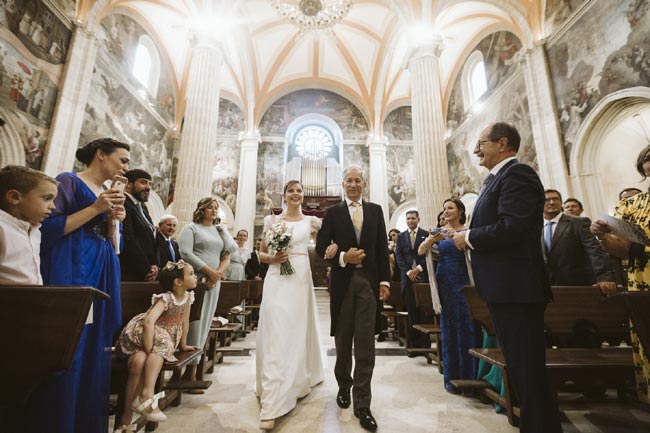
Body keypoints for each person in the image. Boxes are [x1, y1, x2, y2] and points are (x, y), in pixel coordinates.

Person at [452, 123, 562, 433]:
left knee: (528, 371)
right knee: (521, 370)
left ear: (502, 144)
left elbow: (514, 227)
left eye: (481, 144)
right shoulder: (496, 180)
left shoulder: (517, 175)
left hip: (517, 289)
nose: (476, 151)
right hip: (505, 288)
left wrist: (469, 236)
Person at [37, 137, 129, 433]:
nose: (126, 166)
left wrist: (116, 220)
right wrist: (95, 209)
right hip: (76, 265)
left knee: (96, 343)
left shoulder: (107, 192)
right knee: (73, 344)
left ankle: (84, 421)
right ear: (100, 155)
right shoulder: (69, 182)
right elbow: (46, 229)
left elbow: (115, 245)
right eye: (123, 160)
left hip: (102, 265)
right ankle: (60, 421)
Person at [255, 180, 337, 430]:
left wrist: (335, 248)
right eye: (291, 190)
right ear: (284, 195)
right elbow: (260, 252)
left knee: (294, 332)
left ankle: (296, 380)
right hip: (276, 277)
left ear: (303, 195)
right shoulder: (272, 221)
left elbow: (325, 246)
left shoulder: (311, 222)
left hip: (300, 278)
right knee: (275, 330)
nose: (295, 194)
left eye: (299, 191)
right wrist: (272, 257)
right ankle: (272, 400)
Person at [316, 165, 391, 432]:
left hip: (368, 284)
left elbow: (382, 247)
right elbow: (320, 248)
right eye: (349, 180)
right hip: (344, 283)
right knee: (343, 340)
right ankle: (344, 386)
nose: (353, 184)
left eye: (358, 180)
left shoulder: (376, 211)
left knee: (365, 343)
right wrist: (341, 257)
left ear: (365, 184)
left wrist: (384, 280)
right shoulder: (333, 213)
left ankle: (363, 403)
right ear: (343, 184)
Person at [591, 144, 650, 405]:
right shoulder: (633, 205)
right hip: (643, 278)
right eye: (648, 159)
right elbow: (620, 249)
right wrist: (604, 235)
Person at [114, 260, 199, 430]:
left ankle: (131, 417)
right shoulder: (166, 298)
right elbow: (148, 322)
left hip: (159, 338)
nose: (195, 276)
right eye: (191, 274)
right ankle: (145, 397)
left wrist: (183, 345)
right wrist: (148, 348)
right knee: (147, 354)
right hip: (144, 334)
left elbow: (184, 322)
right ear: (178, 282)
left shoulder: (188, 297)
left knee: (140, 361)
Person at [419, 198, 476, 393]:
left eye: (450, 208)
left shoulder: (467, 230)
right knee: (449, 327)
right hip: (444, 283)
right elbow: (421, 251)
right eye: (444, 208)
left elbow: (473, 255)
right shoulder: (440, 233)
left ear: (460, 211)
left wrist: (458, 237)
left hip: (463, 282)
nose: (445, 211)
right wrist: (431, 240)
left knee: (466, 327)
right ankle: (452, 378)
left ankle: (469, 377)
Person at [178, 197, 236, 387]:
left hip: (213, 282)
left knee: (205, 322)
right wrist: (209, 271)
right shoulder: (191, 228)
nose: (213, 210)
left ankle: (195, 369)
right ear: (201, 209)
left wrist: (218, 273)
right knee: (194, 322)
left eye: (216, 208)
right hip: (196, 280)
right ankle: (187, 371)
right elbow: (186, 253)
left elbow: (227, 255)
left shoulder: (220, 231)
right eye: (210, 207)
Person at [543, 189, 616, 294]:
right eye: (547, 200)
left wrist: (604, 278)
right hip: (547, 287)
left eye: (555, 199)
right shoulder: (535, 227)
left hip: (577, 284)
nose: (552, 202)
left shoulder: (579, 222)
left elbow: (595, 251)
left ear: (561, 202)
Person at [0, 165, 57, 286]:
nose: (53, 206)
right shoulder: (2, 228)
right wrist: (25, 289)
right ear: (14, 197)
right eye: (47, 198)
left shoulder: (35, 231)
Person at [394, 210, 430, 352]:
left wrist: (419, 269)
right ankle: (413, 346)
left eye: (413, 218)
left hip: (423, 275)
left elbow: (428, 254)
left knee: (424, 312)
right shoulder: (401, 236)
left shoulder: (426, 234)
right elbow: (399, 255)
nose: (411, 221)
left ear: (418, 219)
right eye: (408, 219)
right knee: (411, 312)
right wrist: (409, 272)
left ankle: (425, 345)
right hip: (407, 277)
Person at [121, 169, 159, 281]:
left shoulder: (142, 207)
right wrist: (147, 268)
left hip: (146, 272)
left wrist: (155, 266)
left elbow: (152, 238)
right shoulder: (123, 202)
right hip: (129, 272)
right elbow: (128, 239)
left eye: (149, 184)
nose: (148, 187)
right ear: (128, 184)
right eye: (143, 182)